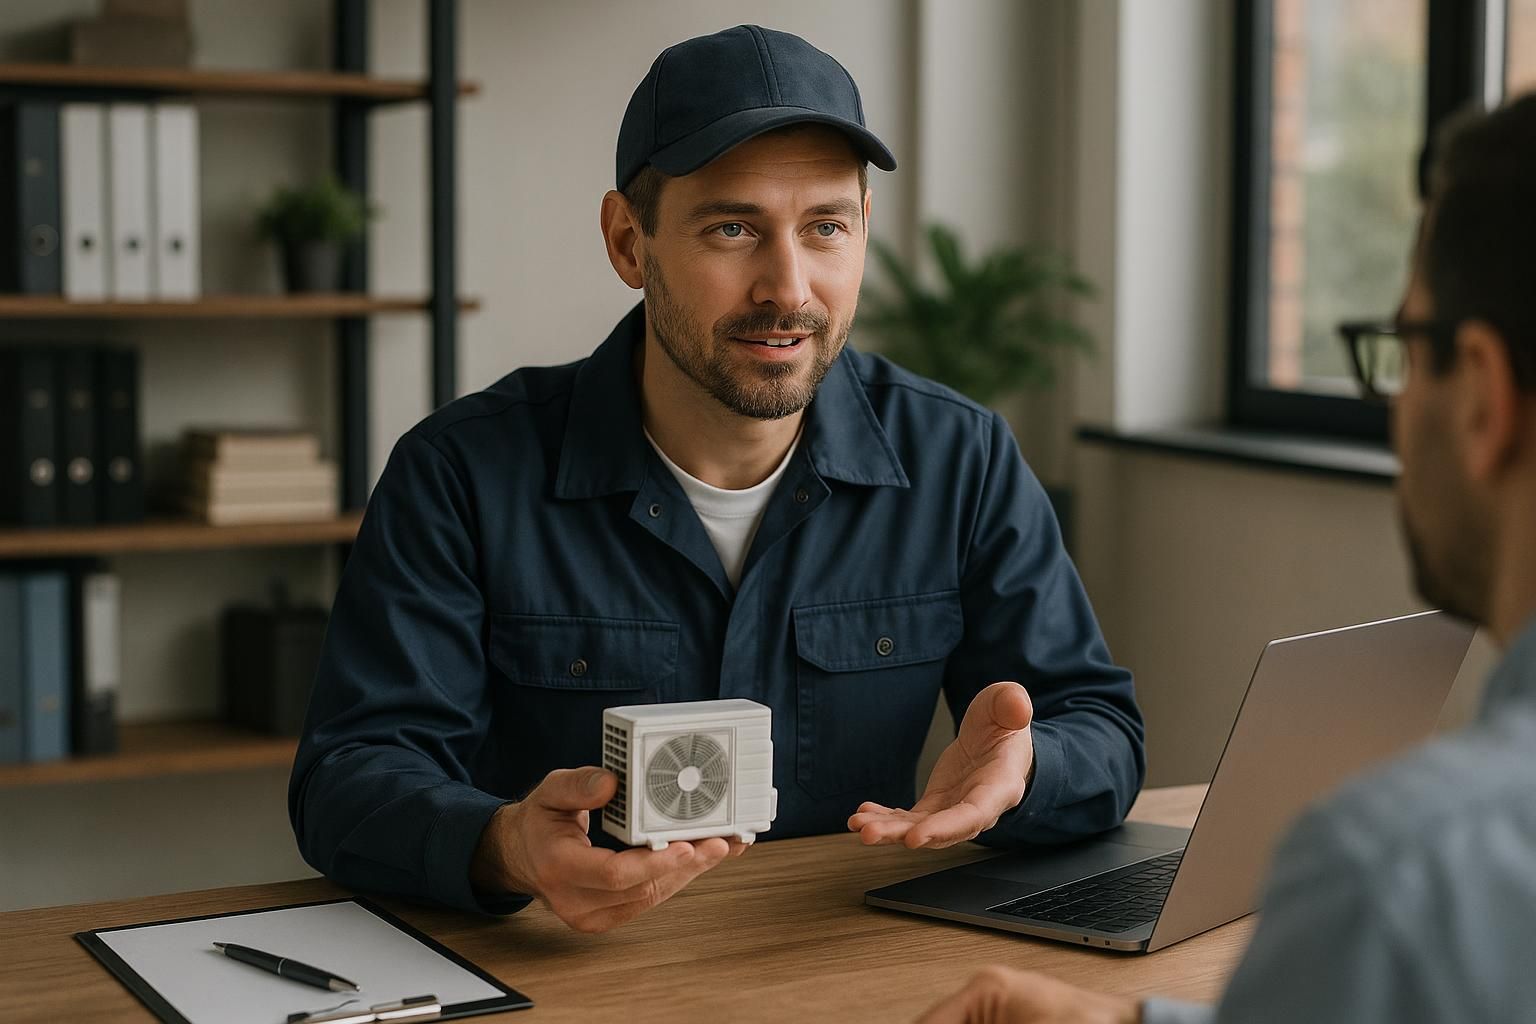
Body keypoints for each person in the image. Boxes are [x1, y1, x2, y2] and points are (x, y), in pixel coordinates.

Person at [289, 24, 1144, 935]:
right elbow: (353, 775)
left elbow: (1095, 725)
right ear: (629, 242)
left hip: (839, 967)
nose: (789, 286)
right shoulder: (460, 474)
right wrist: (503, 845)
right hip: (564, 974)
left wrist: (1025, 770)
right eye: (733, 228)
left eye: (826, 228)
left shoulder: (960, 459)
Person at [917, 93, 1536, 1024]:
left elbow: (1095, 724)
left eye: (1405, 349)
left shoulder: (1397, 876)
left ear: (1484, 397)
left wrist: (1032, 766)